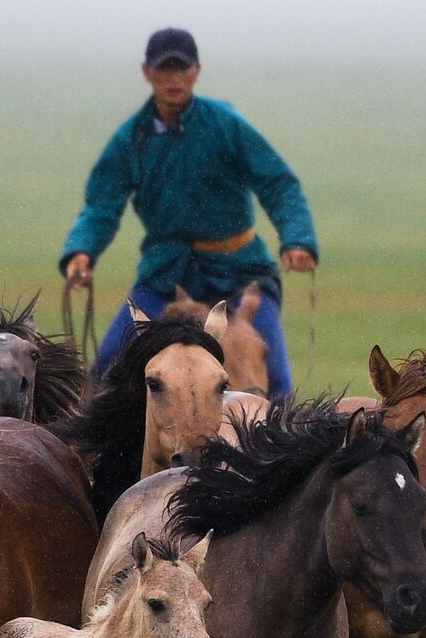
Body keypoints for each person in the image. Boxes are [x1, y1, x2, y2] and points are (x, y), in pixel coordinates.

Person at [60, 27, 318, 398]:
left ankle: (277, 455)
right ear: (147, 72)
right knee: (106, 371)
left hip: (239, 270)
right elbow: (101, 204)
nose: (174, 79)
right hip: (168, 271)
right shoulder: (131, 139)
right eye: (165, 70)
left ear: (196, 71)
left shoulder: (225, 124)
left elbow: (278, 184)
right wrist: (81, 251)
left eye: (182, 69)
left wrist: (297, 239)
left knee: (274, 381)